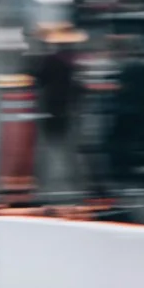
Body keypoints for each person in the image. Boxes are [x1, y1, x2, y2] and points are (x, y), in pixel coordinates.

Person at [29, 24, 87, 197]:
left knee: (45, 145)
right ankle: (76, 177)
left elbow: (38, 80)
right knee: (69, 146)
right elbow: (79, 87)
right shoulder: (73, 62)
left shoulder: (50, 60)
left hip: (51, 107)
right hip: (68, 108)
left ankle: (38, 178)